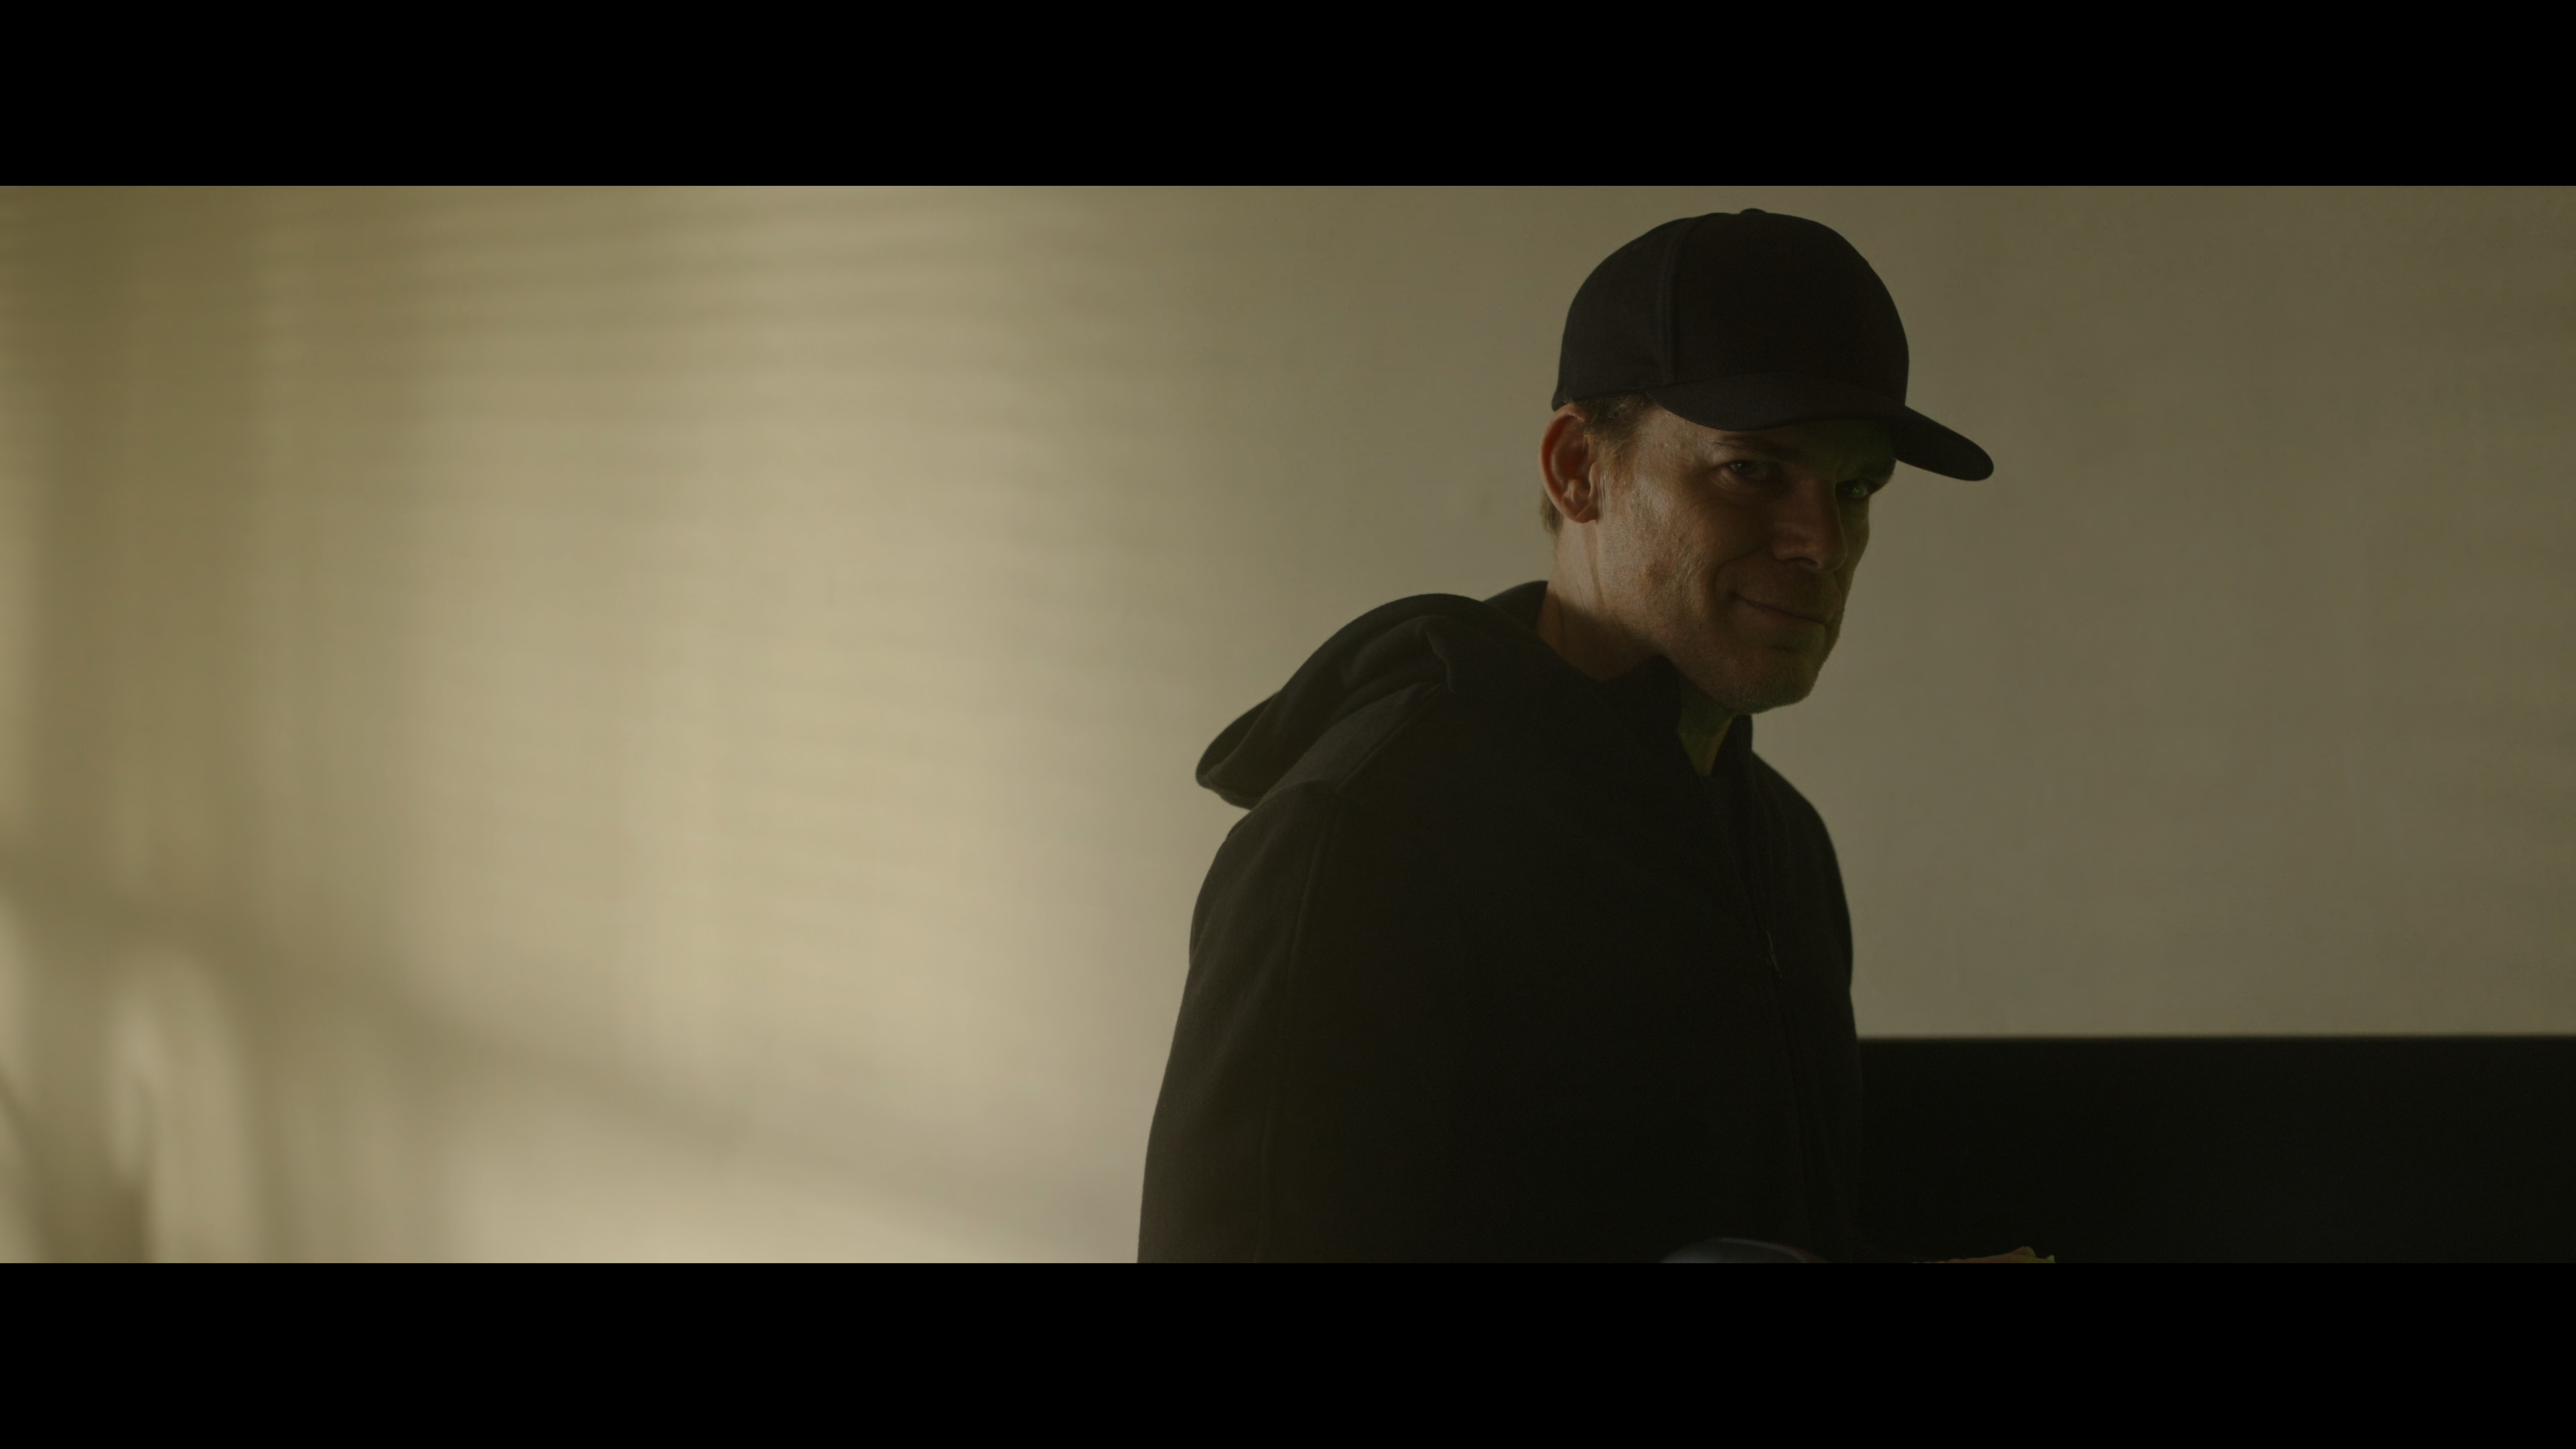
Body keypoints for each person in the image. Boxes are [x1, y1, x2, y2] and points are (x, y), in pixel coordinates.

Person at [1140, 211, 1994, 1262]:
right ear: (1579, 468)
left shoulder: (1784, 843)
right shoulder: (1368, 833)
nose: (1821, 541)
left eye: (1855, 488)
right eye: (1753, 470)